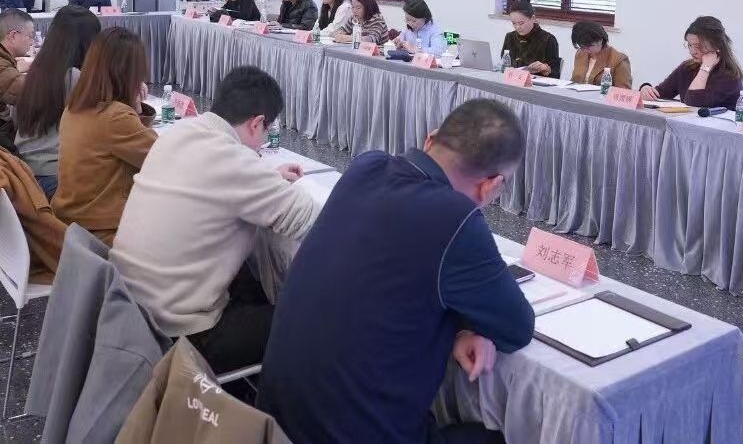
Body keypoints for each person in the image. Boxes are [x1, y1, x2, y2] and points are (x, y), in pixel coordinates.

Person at [258, 99, 535, 444]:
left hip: (272, 423)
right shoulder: (457, 218)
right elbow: (517, 327)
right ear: (491, 186)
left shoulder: (365, 166)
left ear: (430, 139)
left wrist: (464, 326)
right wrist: (470, 326)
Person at [111, 66, 318, 375]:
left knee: (250, 281)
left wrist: (267, 179)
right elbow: (313, 221)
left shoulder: (180, 133)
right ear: (257, 123)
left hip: (130, 310)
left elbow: (217, 182)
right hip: (182, 333)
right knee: (315, 322)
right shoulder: (233, 160)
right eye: (266, 131)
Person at [53, 27, 158, 244]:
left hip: (72, 220)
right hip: (103, 230)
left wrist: (135, 109)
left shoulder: (74, 107)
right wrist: (137, 109)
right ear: (130, 72)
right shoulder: (114, 117)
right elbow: (161, 158)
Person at [15, 6, 102, 197]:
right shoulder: (73, 77)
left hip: (26, 169)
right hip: (55, 173)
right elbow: (98, 127)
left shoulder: (34, 72)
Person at [640, 15, 743, 108]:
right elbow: (660, 93)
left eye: (698, 46)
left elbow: (693, 102)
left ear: (717, 46)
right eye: (690, 45)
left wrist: (705, 68)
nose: (692, 51)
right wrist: (645, 88)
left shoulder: (730, 77)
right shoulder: (687, 68)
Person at [500, 0, 561, 77]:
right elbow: (504, 64)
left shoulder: (548, 39)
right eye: (514, 23)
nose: (517, 27)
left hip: (536, 83)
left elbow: (556, 73)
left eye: (521, 23)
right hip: (512, 81)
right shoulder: (510, 37)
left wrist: (544, 68)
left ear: (533, 18)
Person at [571, 21, 632, 89]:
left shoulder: (619, 60)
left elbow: (624, 90)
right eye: (582, 46)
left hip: (603, 96)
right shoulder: (580, 53)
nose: (584, 50)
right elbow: (575, 80)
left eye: (588, 47)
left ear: (600, 40)